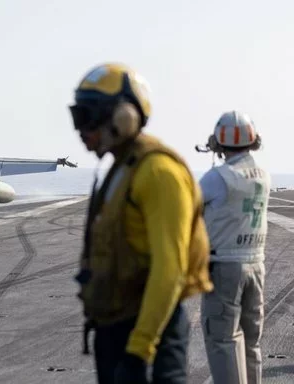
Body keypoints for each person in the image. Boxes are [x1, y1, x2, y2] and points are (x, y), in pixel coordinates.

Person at [71, 62, 214, 384]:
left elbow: (170, 270)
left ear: (123, 116)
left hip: (149, 335)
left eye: (87, 117)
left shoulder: (159, 172)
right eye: (76, 117)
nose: (81, 129)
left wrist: (139, 351)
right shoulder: (122, 167)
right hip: (117, 325)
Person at [198, 111, 270, 384]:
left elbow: (187, 207)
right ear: (254, 141)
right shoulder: (263, 175)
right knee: (251, 343)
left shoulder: (218, 177)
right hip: (256, 265)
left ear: (218, 143)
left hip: (225, 267)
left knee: (223, 341)